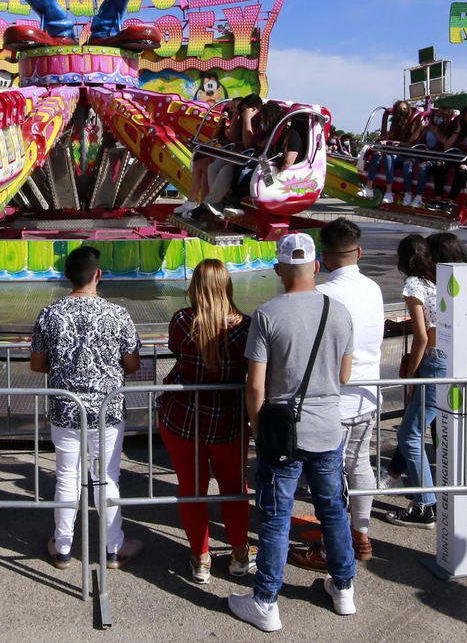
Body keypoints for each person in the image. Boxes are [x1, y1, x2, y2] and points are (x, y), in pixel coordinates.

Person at [229, 234, 357, 631]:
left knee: (275, 516)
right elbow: (345, 374)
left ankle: (266, 600)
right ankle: (344, 587)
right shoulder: (340, 312)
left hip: (282, 434)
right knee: (333, 509)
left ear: (279, 270)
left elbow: (255, 385)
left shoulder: (267, 315)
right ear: (316, 267)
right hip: (328, 428)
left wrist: (256, 424)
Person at [30, 245, 144, 571]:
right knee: (107, 476)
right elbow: (132, 363)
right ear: (99, 275)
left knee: (66, 476)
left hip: (66, 409)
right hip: (107, 409)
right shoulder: (118, 314)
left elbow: (37, 365)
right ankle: (113, 547)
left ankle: (63, 547)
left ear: (67, 276)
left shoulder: (49, 314)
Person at [292, 220, 384, 569]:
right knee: (361, 464)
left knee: (329, 478)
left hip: (333, 399)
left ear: (324, 257)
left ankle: (334, 547)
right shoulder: (374, 289)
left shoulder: (325, 295)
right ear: (358, 251)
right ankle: (361, 534)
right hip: (369, 393)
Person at [156, 259, 254, 583]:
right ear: (228, 285)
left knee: (192, 489)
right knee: (234, 489)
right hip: (229, 421)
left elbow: (175, 350)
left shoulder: (183, 321)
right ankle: (240, 554)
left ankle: (200, 558)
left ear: (195, 287)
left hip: (184, 419)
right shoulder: (245, 326)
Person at [374, 233, 447, 529]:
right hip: (449, 357)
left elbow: (420, 335)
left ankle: (425, 504)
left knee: (410, 435)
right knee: (415, 430)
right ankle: (419, 493)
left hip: (432, 360)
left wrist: (412, 374)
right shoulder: (437, 277)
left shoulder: (414, 285)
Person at [198, 94, 263, 221]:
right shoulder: (243, 118)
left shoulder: (258, 121)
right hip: (241, 155)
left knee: (226, 169)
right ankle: (216, 202)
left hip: (252, 159)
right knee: (213, 166)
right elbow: (232, 136)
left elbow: (248, 143)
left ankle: (209, 204)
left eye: (244, 110)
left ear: (253, 109)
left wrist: (247, 119)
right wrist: (236, 116)